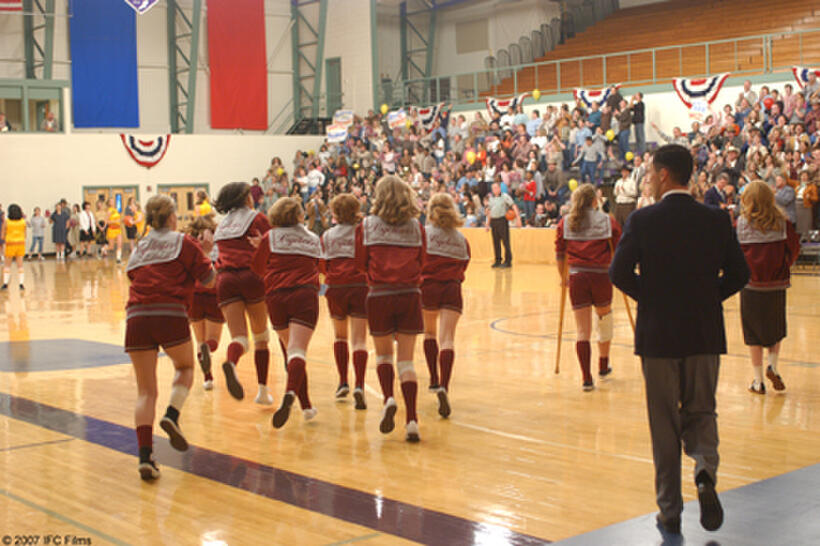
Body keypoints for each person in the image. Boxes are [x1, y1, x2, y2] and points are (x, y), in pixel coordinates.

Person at [610, 144, 749, 535]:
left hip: (657, 335)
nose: (649, 180)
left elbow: (618, 272)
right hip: (704, 332)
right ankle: (704, 470)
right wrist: (707, 298)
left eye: (651, 174)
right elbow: (740, 273)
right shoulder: (716, 220)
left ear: (665, 175)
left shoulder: (643, 219)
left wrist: (652, 298)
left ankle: (670, 510)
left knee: (664, 424)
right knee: (703, 410)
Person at [124, 194, 216, 480]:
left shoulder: (140, 245)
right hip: (170, 313)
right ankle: (172, 415)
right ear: (172, 217)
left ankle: (145, 457)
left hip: (136, 316)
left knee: (145, 392)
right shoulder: (183, 242)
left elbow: (132, 278)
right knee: (186, 368)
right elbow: (209, 280)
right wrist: (208, 251)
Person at [355, 175, 425, 442]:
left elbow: (359, 263)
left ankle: (387, 399)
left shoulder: (367, 226)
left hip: (379, 295)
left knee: (384, 356)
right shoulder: (417, 227)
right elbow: (424, 261)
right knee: (407, 362)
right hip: (409, 294)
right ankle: (412, 420)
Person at [251, 197, 321, 428]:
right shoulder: (313, 238)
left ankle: (307, 406)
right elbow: (323, 268)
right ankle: (291, 394)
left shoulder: (269, 238)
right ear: (299, 215)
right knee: (297, 352)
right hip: (304, 295)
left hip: (276, 297)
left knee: (290, 352)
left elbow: (258, 269)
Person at [213, 182, 274, 405]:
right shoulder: (257, 218)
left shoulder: (222, 225)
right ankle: (263, 392)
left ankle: (231, 362)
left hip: (225, 280)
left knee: (239, 338)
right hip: (252, 277)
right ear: (245, 198)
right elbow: (273, 242)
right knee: (260, 338)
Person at [555, 184, 621, 390]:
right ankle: (603, 363)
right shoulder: (607, 221)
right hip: (601, 276)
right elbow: (618, 248)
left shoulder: (565, 222)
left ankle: (586, 378)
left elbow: (560, 254)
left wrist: (563, 276)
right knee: (604, 320)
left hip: (577, 277)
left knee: (582, 331)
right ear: (595, 201)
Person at [737, 181, 800, 394]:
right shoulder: (783, 223)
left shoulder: (742, 224)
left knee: (752, 334)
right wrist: (784, 266)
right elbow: (793, 249)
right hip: (776, 285)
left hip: (751, 285)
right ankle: (772, 365)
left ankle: (757, 381)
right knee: (775, 328)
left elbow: (736, 254)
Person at [421, 193, 470, 417]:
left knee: (429, 334)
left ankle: (432, 378)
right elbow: (464, 266)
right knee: (447, 338)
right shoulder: (461, 239)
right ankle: (444, 385)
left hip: (428, 288)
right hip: (452, 289)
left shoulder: (424, 235)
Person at [321, 194, 369, 408]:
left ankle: (342, 382)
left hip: (336, 287)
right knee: (359, 340)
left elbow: (322, 265)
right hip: (359, 286)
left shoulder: (328, 235)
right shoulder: (363, 232)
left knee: (340, 336)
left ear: (335, 212)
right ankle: (359, 384)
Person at [186, 215, 224, 391]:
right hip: (214, 294)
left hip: (193, 295)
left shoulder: (189, 246)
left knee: (200, 341)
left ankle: (208, 379)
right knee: (213, 341)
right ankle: (208, 352)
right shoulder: (218, 246)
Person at [485, 182, 518, 268]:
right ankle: (498, 260)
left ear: (499, 188)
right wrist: (487, 224)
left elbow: (514, 206)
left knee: (506, 242)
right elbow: (489, 212)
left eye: (496, 188)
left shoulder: (505, 196)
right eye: (493, 188)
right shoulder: (491, 199)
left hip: (502, 220)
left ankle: (508, 261)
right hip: (494, 221)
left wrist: (518, 219)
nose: (494, 190)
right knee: (496, 242)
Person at [2, 204, 26, 290]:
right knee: (20, 265)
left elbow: (2, 236)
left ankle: (5, 283)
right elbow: (25, 234)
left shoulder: (7, 221)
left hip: (10, 244)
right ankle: (21, 284)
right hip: (20, 244)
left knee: (7, 265)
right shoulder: (23, 221)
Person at [107, 197, 124, 264]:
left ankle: (118, 259)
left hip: (118, 229)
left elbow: (118, 219)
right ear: (109, 203)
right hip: (111, 229)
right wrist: (114, 221)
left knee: (119, 244)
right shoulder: (109, 211)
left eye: (113, 201)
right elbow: (107, 222)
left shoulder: (116, 210)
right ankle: (102, 249)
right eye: (111, 201)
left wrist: (121, 221)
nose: (112, 202)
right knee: (111, 247)